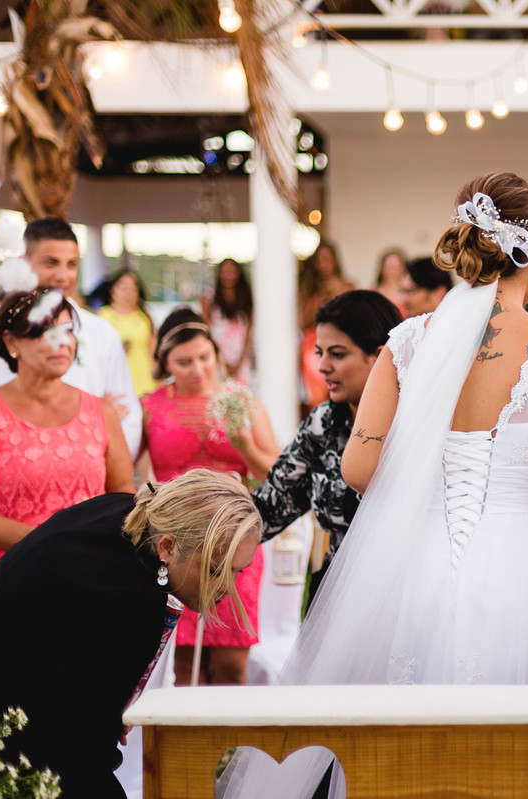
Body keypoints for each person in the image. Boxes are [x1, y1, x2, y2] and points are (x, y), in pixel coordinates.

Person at [218, 171, 528, 798]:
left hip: (418, 560)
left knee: (409, 753)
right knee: (525, 757)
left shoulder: (407, 342)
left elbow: (360, 469)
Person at [0, 470, 262, 798]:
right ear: (167, 547)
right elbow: (83, 743)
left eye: (238, 570)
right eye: (216, 570)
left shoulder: (129, 511)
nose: (227, 588)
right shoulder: (129, 599)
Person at [0, 289, 135, 595]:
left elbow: (123, 498)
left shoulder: (101, 412)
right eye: (45, 331)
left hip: (87, 575)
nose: (62, 342)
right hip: (8, 578)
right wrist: (48, 540)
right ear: (11, 342)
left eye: (67, 330)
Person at [141, 308, 280, 686]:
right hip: (178, 541)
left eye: (205, 357)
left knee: (232, 666)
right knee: (183, 665)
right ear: (165, 361)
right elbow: (132, 473)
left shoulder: (242, 401)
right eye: (184, 362)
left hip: (236, 539)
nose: (198, 369)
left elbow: (277, 472)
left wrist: (245, 446)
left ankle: (235, 746)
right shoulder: (150, 406)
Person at [253, 289, 403, 605]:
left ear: (380, 356)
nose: (322, 367)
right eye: (320, 353)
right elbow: (269, 506)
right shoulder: (323, 424)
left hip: (404, 600)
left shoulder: (418, 427)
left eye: (337, 354)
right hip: (337, 597)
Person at [0, 218, 142, 458]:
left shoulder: (102, 333)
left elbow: (127, 416)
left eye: (72, 264)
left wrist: (104, 473)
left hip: (93, 477)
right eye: (51, 263)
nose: (62, 276)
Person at [298, 241, 356, 409]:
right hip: (314, 345)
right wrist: (319, 300)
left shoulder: (348, 285)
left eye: (328, 258)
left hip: (342, 341)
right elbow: (303, 322)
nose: (324, 263)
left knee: (344, 390)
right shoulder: (308, 290)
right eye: (320, 259)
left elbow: (355, 317)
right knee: (318, 393)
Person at [98, 269, 157, 397]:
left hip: (145, 383)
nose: (128, 292)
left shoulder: (145, 317)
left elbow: (154, 353)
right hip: (113, 385)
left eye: (132, 288)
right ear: (112, 289)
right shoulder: (102, 316)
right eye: (123, 287)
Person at [201, 258, 254, 386]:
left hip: (240, 353)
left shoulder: (245, 297)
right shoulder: (209, 297)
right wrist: (219, 358)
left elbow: (249, 329)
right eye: (225, 271)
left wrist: (241, 359)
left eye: (232, 271)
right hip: (218, 351)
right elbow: (206, 328)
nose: (229, 275)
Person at [372, 247, 408, 314]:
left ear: (403, 268)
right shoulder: (373, 293)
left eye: (395, 266)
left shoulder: (409, 295)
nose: (391, 270)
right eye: (388, 266)